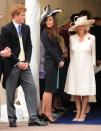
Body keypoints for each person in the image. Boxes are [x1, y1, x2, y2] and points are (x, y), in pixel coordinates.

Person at [1, 4, 48, 127]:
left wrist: (26, 61)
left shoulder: (26, 28)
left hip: (25, 66)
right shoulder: (6, 29)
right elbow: (6, 49)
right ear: (15, 16)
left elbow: (29, 46)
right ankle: (12, 118)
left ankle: (33, 118)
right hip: (12, 66)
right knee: (11, 93)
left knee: (31, 89)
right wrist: (18, 62)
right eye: (22, 15)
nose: (24, 17)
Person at [64, 16, 96, 122]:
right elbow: (71, 55)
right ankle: (78, 112)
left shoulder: (91, 38)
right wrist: (72, 67)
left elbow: (93, 54)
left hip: (87, 68)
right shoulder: (72, 38)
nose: (81, 27)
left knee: (85, 91)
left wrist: (92, 68)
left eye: (83, 26)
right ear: (76, 28)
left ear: (86, 26)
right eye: (79, 26)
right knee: (77, 92)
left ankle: (83, 113)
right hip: (75, 67)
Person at [41, 7, 64, 122]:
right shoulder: (44, 32)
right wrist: (58, 60)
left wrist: (61, 59)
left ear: (54, 21)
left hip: (54, 63)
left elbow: (57, 49)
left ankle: (44, 112)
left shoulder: (53, 33)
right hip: (50, 63)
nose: (49, 22)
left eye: (50, 20)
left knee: (50, 89)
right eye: (47, 20)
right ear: (44, 22)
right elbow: (49, 50)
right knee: (48, 89)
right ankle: (48, 113)